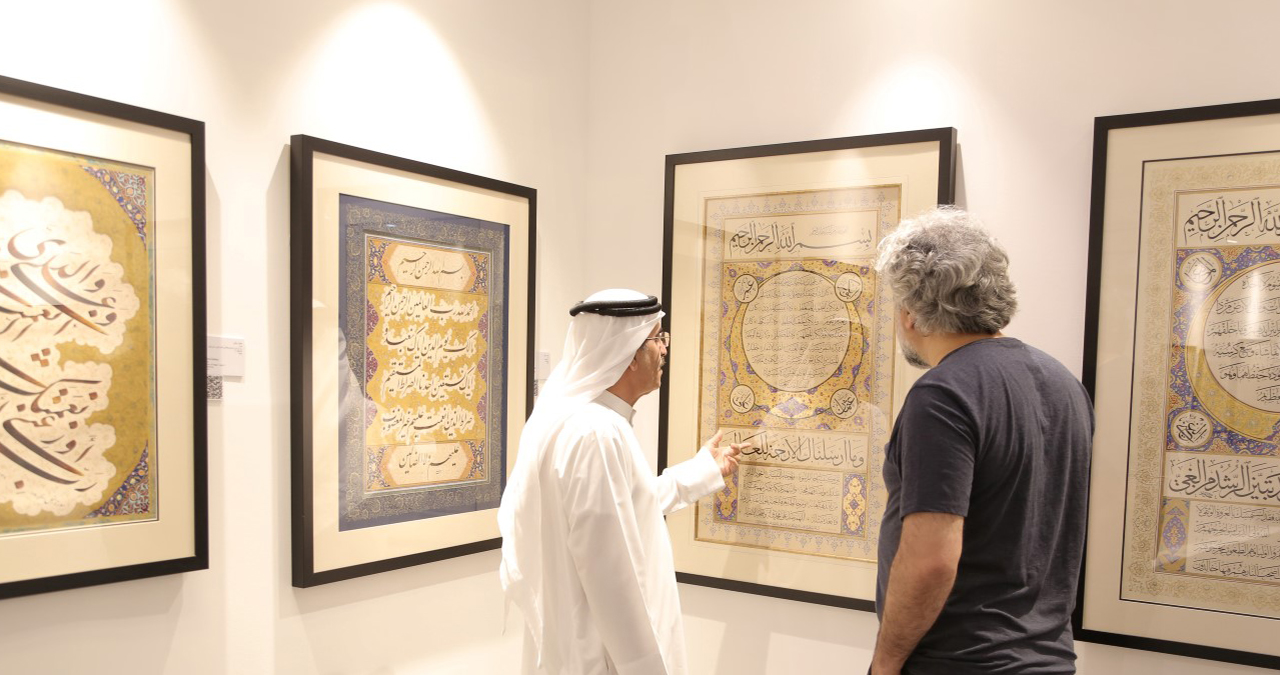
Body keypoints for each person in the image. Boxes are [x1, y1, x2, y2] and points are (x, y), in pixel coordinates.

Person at [869, 208, 1094, 674]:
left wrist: (885, 664)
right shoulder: (1064, 384)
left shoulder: (942, 395)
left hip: (960, 662)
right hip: (1049, 660)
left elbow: (931, 560)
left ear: (911, 313)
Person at [498, 288, 747, 675]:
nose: (664, 349)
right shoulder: (597, 433)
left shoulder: (580, 420)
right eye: (658, 338)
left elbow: (626, 508)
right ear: (629, 352)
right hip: (602, 658)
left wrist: (704, 470)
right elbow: (612, 578)